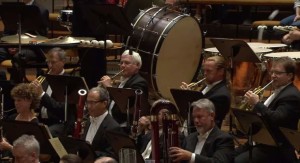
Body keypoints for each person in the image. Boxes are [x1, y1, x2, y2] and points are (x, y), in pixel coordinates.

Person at [235, 56, 300, 163]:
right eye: (272, 72)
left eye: (278, 73)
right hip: (261, 142)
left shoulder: (291, 96)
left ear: (290, 76)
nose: (273, 76)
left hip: (275, 149)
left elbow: (277, 119)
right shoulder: (278, 91)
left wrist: (257, 104)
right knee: (226, 156)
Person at [168, 98, 234, 163]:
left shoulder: (224, 139)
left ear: (212, 116)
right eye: (194, 117)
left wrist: (191, 157)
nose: (196, 121)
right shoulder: (190, 138)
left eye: (200, 117)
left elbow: (219, 161)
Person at [0, 0, 49, 83]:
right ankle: (3, 84)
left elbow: (41, 37)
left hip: (32, 47)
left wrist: (20, 45)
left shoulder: (41, 10)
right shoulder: (13, 8)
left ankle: (15, 85)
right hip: (12, 45)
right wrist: (9, 45)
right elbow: (7, 32)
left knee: (18, 57)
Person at [31, 47, 76, 137]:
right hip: (42, 121)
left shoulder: (69, 82)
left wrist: (42, 94)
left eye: (53, 62)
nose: (50, 66)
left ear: (63, 62)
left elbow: (60, 109)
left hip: (60, 123)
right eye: (48, 62)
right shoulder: (44, 79)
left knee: (43, 135)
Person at [99, 50, 149, 129]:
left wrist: (109, 87)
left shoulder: (139, 82)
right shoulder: (124, 80)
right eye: (121, 63)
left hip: (125, 126)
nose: (122, 65)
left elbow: (127, 105)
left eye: (127, 63)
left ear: (137, 65)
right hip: (113, 123)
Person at [181, 55, 230, 128]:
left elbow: (203, 115)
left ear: (221, 72)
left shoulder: (222, 95)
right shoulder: (208, 85)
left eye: (209, 71)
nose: (205, 73)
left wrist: (189, 96)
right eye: (204, 70)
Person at [82, 87, 122, 159]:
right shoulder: (88, 120)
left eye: (93, 103)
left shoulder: (113, 127)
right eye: (87, 102)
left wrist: (89, 153)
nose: (89, 106)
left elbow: (111, 155)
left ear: (104, 103)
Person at [0, 83, 40, 153]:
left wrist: (9, 147)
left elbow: (29, 153)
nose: (16, 103)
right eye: (15, 100)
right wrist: (3, 140)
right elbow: (7, 138)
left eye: (19, 100)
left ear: (29, 101)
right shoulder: (12, 117)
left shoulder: (34, 124)